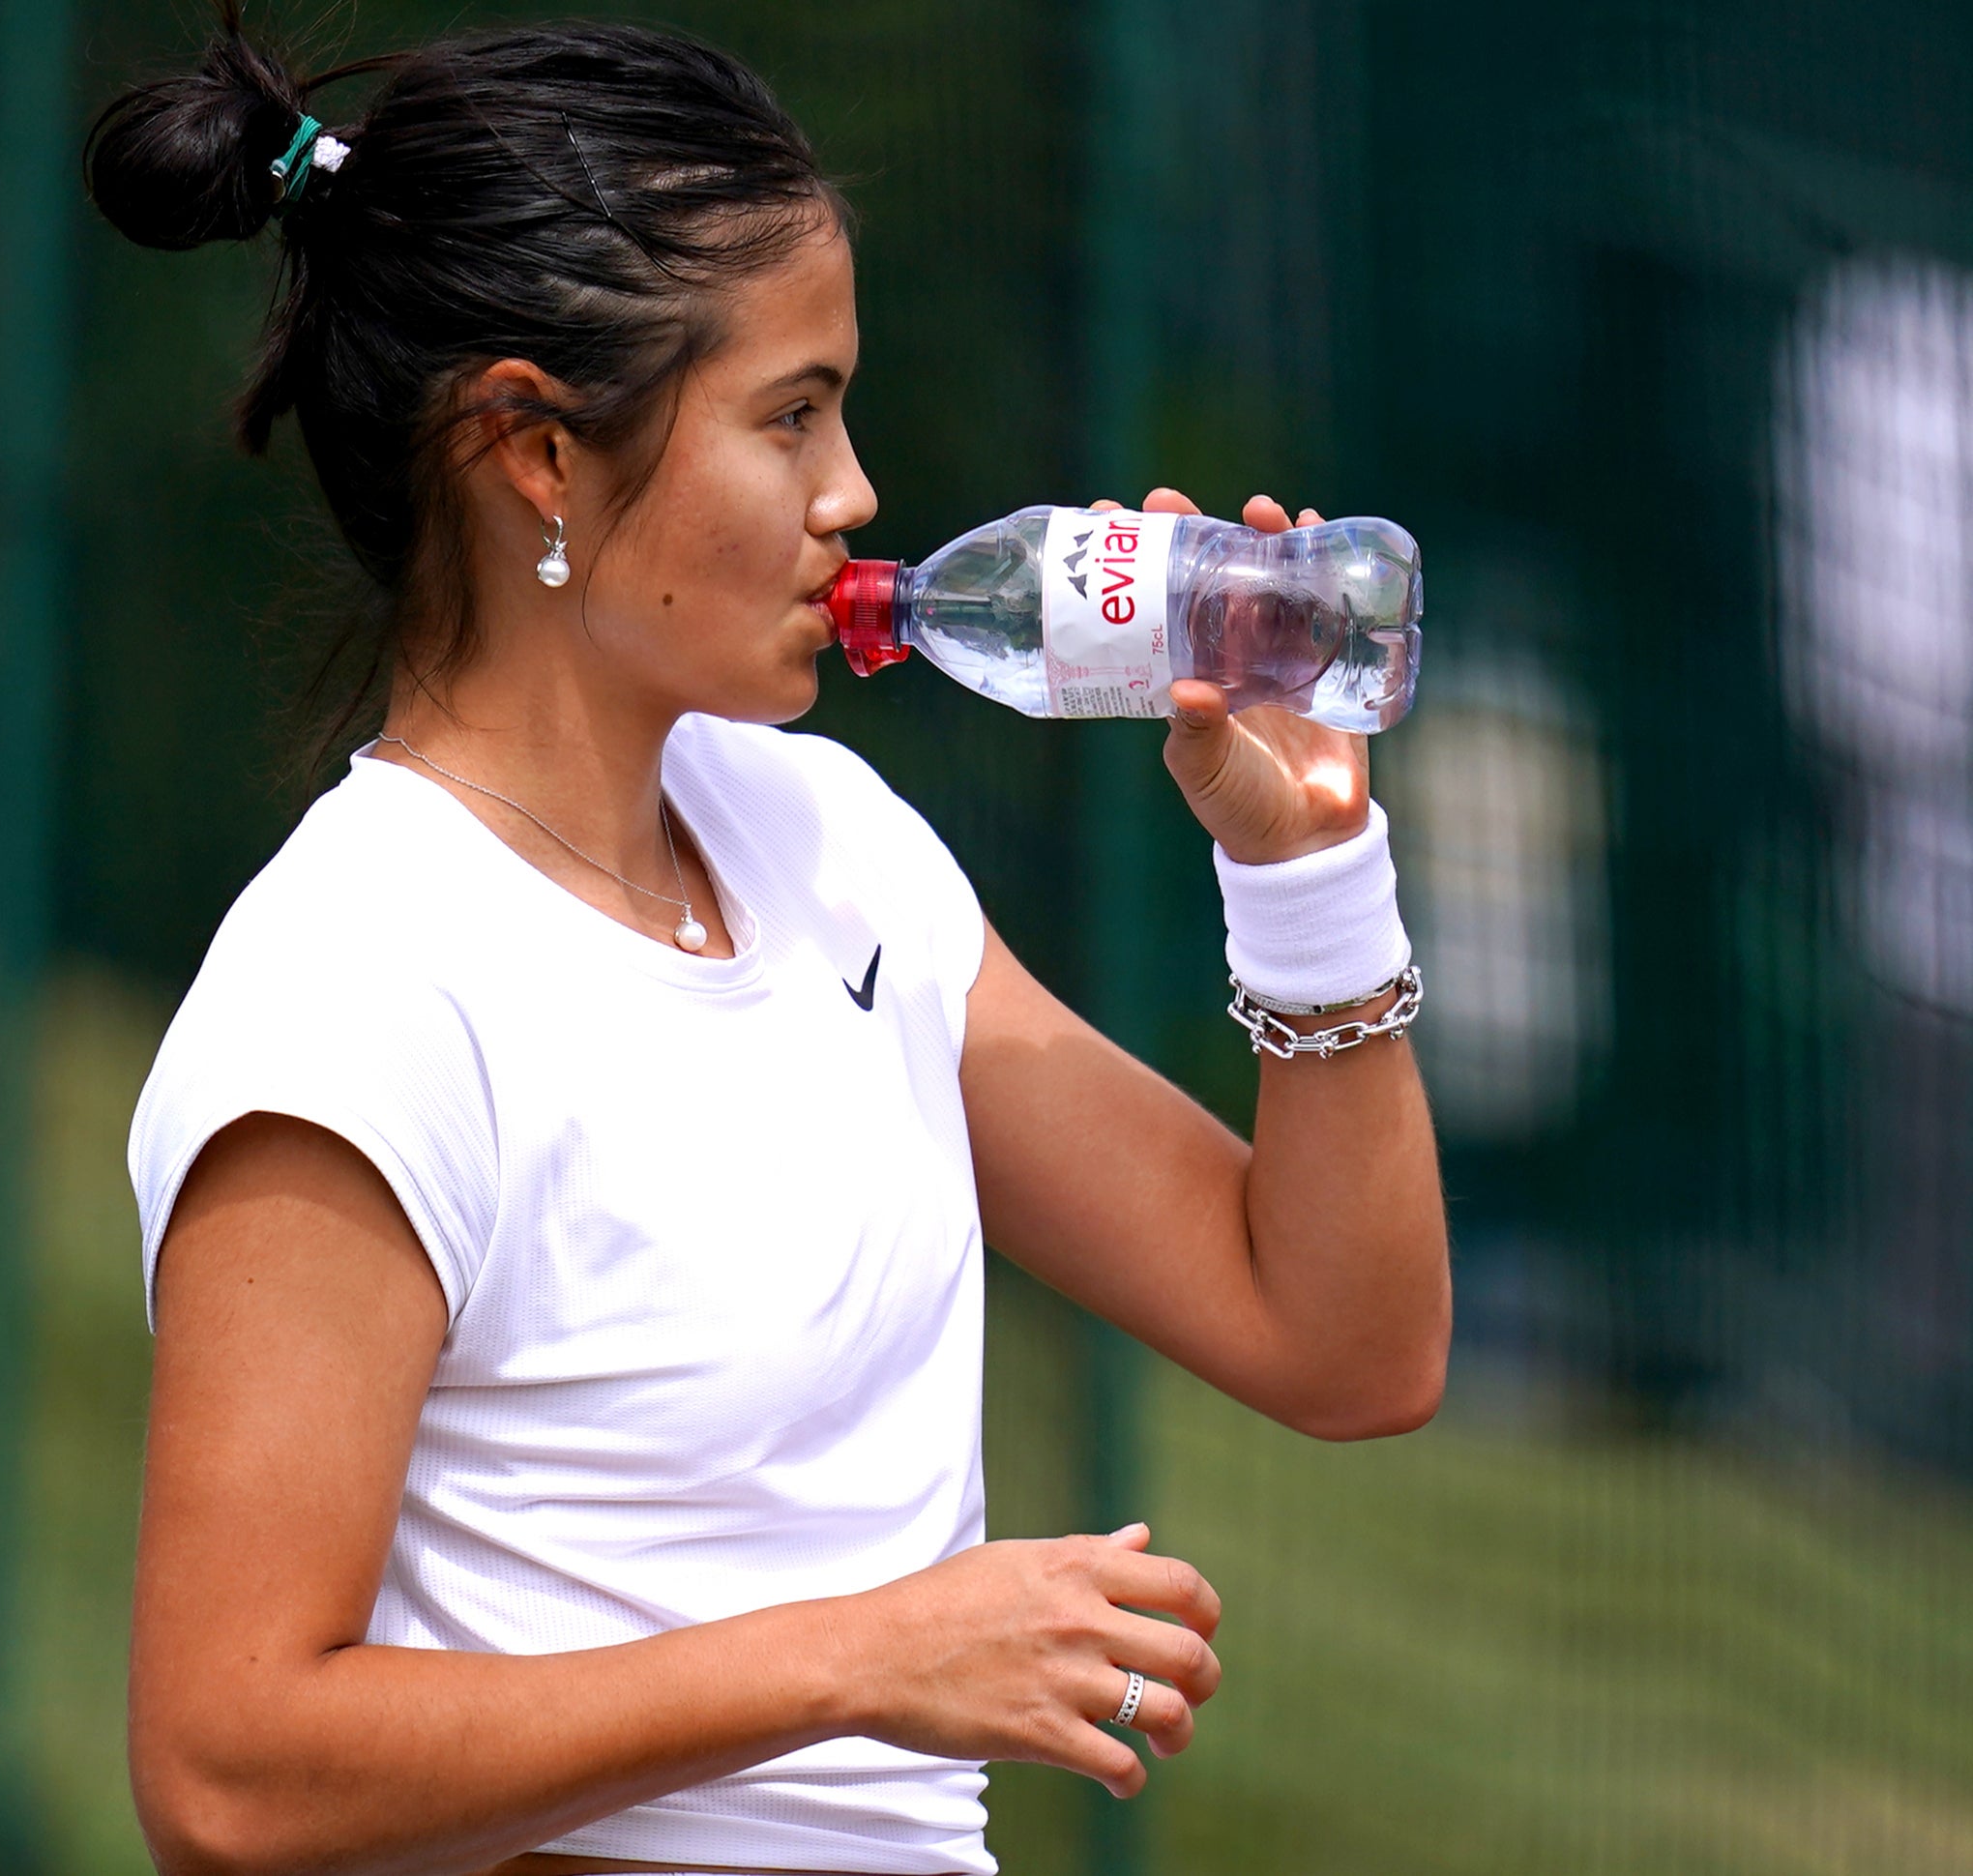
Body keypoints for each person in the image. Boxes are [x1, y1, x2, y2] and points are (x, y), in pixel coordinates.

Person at [90, 11, 1449, 1875]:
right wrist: (870, 1660)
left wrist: (1308, 883)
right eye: (790, 414)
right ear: (531, 451)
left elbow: (1345, 1344)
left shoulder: (827, 845)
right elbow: (229, 1773)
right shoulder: (360, 987)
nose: (856, 493)